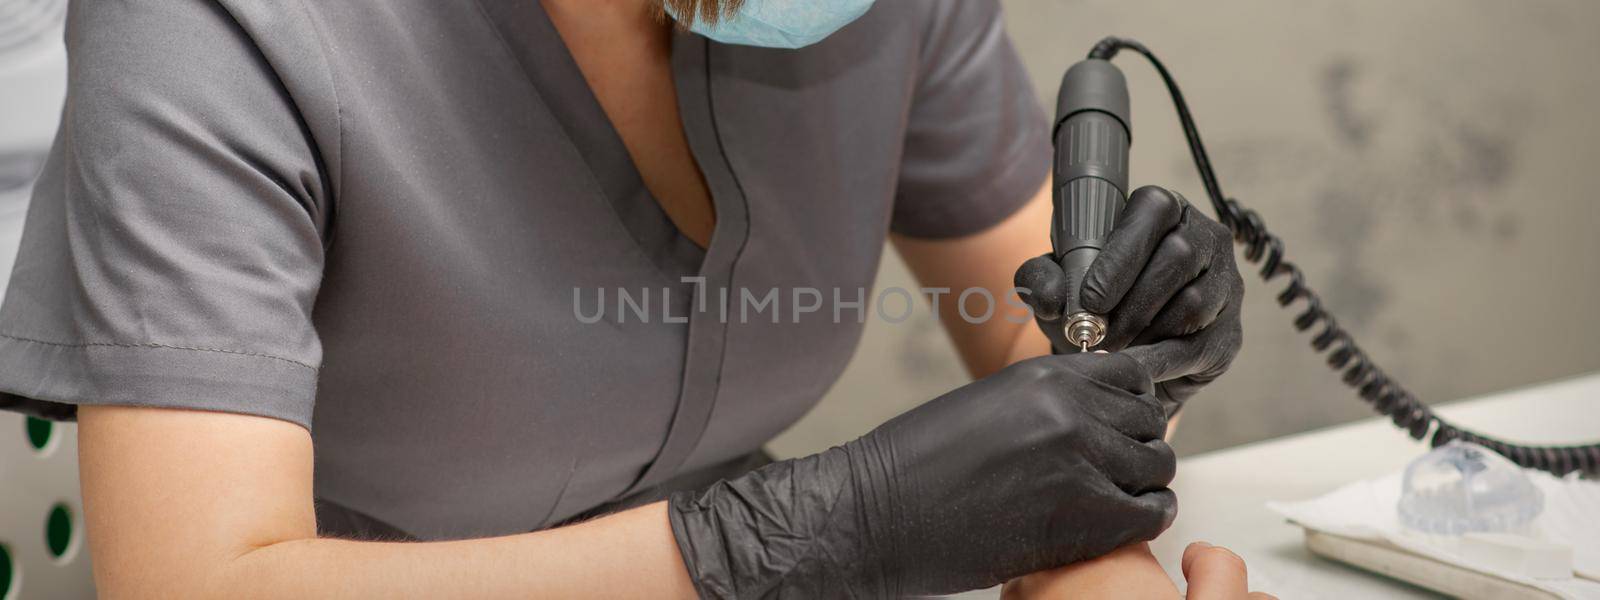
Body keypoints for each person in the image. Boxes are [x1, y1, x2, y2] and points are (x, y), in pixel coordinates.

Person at [0, 0, 1245, 596]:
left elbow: (1046, 342)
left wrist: (1143, 362)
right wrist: (780, 545)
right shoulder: (224, 26)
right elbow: (193, 585)